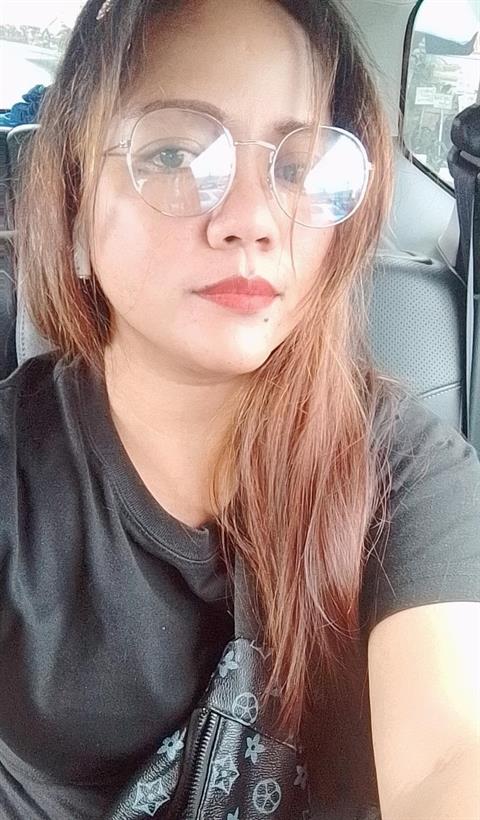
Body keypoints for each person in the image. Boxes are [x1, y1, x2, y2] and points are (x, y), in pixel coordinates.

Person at [1, 0, 479, 818]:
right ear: (76, 207)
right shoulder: (17, 465)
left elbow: (452, 749)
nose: (253, 220)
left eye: (296, 168)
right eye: (176, 154)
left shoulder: (403, 473)